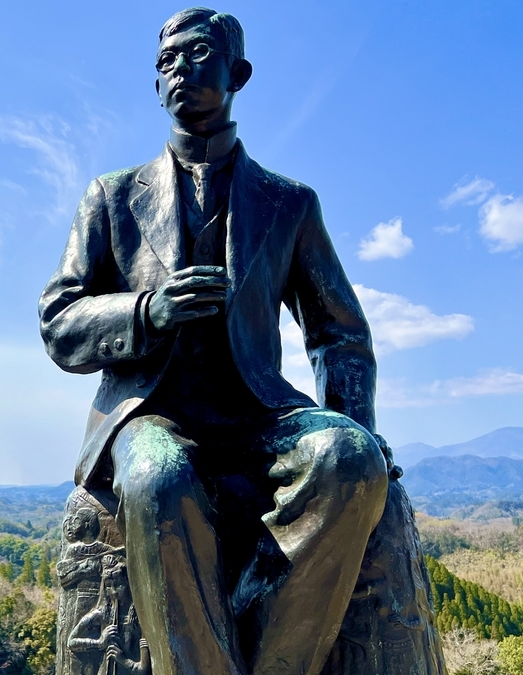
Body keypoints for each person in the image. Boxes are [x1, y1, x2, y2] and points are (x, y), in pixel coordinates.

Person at [38, 8, 398, 675]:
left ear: (239, 73)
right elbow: (60, 321)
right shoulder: (112, 198)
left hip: (259, 418)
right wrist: (148, 310)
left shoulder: (289, 204)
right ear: (155, 87)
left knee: (351, 457)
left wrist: (361, 421)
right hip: (151, 416)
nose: (178, 69)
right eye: (165, 61)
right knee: (156, 478)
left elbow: (339, 334)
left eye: (197, 53)